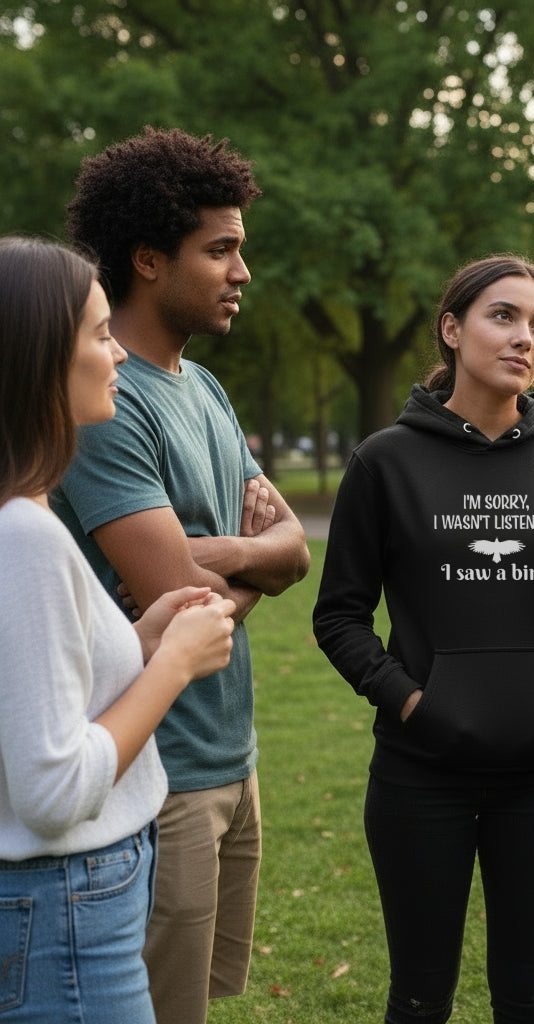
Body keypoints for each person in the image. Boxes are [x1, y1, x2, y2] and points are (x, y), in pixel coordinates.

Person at [312, 254, 534, 1024]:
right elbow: (339, 615)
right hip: (421, 776)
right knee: (419, 1000)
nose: (525, 338)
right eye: (504, 316)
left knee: (527, 1000)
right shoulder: (385, 461)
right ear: (452, 329)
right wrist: (412, 702)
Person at [51, 128, 311, 1024]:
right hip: (156, 774)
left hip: (232, 759)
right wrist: (243, 568)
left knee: (198, 998)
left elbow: (295, 548)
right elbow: (185, 606)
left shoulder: (204, 389)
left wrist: (230, 557)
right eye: (222, 249)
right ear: (150, 260)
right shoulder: (106, 404)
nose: (243, 271)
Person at [0, 236, 237, 1023]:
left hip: (72, 900)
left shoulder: (28, 514)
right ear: (40, 359)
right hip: (66, 907)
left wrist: (138, 642)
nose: (118, 357)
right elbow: (53, 789)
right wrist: (170, 666)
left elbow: (41, 691)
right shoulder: (22, 535)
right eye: (100, 336)